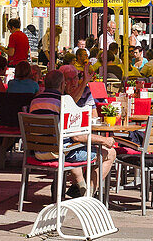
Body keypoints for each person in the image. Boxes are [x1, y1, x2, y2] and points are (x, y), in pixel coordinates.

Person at [29, 68, 116, 198]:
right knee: (109, 153)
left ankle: (82, 188)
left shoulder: (35, 101)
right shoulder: (63, 103)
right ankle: (88, 195)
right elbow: (77, 136)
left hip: (37, 152)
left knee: (73, 147)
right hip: (59, 153)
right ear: (62, 84)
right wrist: (104, 140)